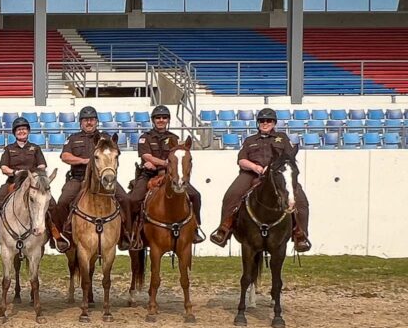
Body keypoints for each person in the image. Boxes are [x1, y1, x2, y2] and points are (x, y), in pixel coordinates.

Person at [209, 107, 311, 252]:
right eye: (262, 121)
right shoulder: (250, 140)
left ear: (274, 123)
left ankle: (300, 235)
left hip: (278, 176)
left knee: (301, 202)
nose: (265, 123)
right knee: (232, 195)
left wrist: (274, 169)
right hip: (252, 174)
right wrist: (255, 167)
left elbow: (289, 158)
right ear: (258, 123)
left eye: (268, 120)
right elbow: (241, 160)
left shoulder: (282, 138)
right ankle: (224, 229)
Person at [0, 117, 69, 253]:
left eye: (24, 129)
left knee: (52, 206)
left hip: (33, 184)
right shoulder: (9, 149)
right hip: (13, 182)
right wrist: (15, 172)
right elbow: (3, 167)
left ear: (28, 131)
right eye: (19, 129)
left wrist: (33, 174)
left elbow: (42, 166)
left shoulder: (35, 148)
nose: (22, 131)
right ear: (14, 133)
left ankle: (56, 236)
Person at [52, 105, 133, 250]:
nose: (89, 123)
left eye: (92, 120)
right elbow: (65, 156)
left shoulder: (106, 137)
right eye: (85, 120)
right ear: (81, 123)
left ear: (96, 121)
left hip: (103, 179)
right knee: (62, 202)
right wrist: (84, 161)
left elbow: (115, 153)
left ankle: (125, 234)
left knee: (125, 199)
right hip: (78, 178)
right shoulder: (73, 138)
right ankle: (62, 236)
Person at [127, 105, 204, 249]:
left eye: (164, 117)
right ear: (153, 120)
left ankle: (195, 229)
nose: (161, 120)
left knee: (195, 196)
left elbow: (179, 158)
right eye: (158, 118)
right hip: (149, 174)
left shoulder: (174, 139)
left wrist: (166, 166)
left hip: (170, 176)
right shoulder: (145, 138)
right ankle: (131, 232)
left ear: (168, 120)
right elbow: (146, 156)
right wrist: (164, 163)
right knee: (133, 199)